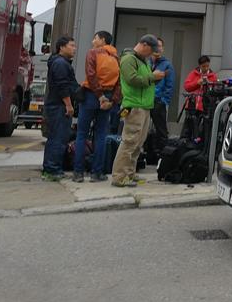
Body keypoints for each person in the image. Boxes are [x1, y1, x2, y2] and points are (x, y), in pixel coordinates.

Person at [111, 35, 164, 187]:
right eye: (151, 51)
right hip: (134, 106)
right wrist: (152, 77)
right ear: (145, 45)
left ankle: (129, 173)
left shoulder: (142, 60)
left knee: (138, 143)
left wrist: (153, 78)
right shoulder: (129, 59)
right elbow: (132, 79)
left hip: (144, 106)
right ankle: (119, 177)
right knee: (129, 142)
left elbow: (143, 79)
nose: (151, 54)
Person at [74, 31, 121, 182]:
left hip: (90, 95)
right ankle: (97, 173)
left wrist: (99, 95)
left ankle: (78, 173)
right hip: (107, 99)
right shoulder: (115, 57)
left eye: (95, 38)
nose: (93, 41)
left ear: (102, 40)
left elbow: (90, 74)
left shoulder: (93, 53)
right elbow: (119, 83)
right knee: (101, 135)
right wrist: (111, 101)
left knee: (81, 134)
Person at [42, 36, 78, 181]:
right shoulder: (60, 63)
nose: (74, 48)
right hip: (59, 106)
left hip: (57, 106)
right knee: (58, 138)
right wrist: (68, 105)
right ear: (61, 47)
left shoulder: (60, 62)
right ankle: (52, 170)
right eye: (71, 45)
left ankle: (51, 168)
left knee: (57, 138)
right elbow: (62, 87)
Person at [149, 37, 175, 161]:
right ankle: (148, 154)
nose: (157, 48)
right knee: (142, 129)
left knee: (161, 130)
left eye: (160, 46)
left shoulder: (167, 64)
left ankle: (163, 157)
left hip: (158, 101)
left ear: (163, 49)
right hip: (144, 100)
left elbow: (170, 86)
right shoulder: (146, 62)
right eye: (155, 46)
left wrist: (164, 101)